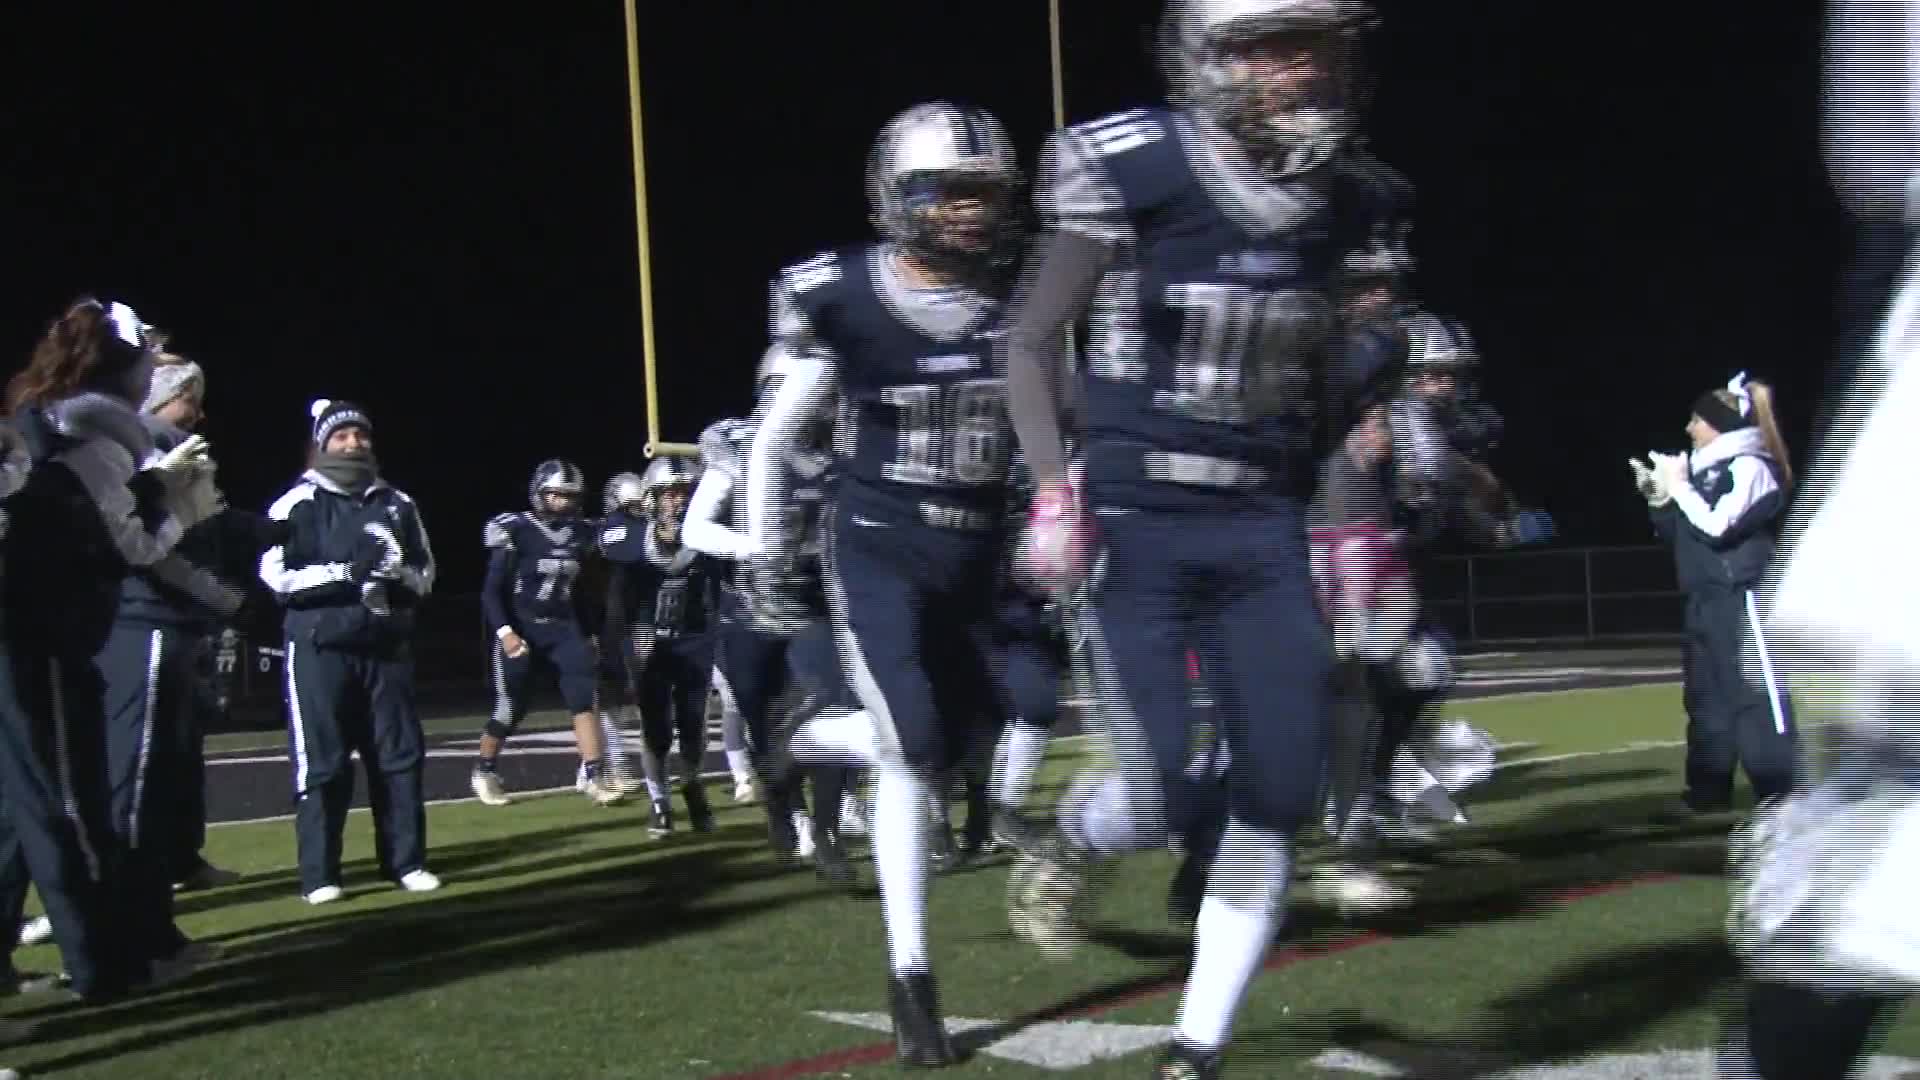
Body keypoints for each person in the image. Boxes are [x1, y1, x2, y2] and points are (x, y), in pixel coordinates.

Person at [998, 1, 1427, 1073]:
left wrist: (1322, 494)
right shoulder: (1134, 165)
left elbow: (1332, 377)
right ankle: (1073, 844)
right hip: (1139, 523)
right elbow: (1034, 338)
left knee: (1280, 794)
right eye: (1272, 45)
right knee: (1154, 794)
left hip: (1261, 528)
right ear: (1208, 57)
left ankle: (1199, 1046)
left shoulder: (1353, 201)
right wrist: (1056, 488)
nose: (1300, 69)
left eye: (1318, 44)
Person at [747, 101, 1026, 1066]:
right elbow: (776, 434)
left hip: (980, 548)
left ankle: (809, 735)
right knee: (913, 744)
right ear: (897, 197)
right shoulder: (840, 292)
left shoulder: (1029, 294)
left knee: (961, 740)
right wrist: (761, 545)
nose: (968, 213)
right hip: (879, 543)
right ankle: (912, 977)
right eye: (946, 193)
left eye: (983, 193)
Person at [1, 298, 224, 1000]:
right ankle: (110, 964)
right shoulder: (91, 440)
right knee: (70, 804)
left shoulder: (49, 424)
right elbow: (121, 545)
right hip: (39, 639)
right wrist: (173, 504)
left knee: (17, 813)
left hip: (26, 636)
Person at [259, 399, 441, 904]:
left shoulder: (397, 503)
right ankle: (321, 875)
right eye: (341, 436)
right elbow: (275, 575)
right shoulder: (296, 502)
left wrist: (391, 570)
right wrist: (345, 571)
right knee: (323, 763)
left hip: (384, 646)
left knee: (399, 757)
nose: (353, 443)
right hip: (321, 647)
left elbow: (425, 575)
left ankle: (405, 862)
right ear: (321, 443)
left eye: (360, 435)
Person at [1632, 372, 1796, 820]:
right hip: (1701, 598)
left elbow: (1719, 526)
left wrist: (1680, 488)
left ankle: (1781, 793)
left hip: (1740, 596)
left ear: (1719, 424)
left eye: (1696, 420)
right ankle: (1706, 792)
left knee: (1755, 696)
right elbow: (1686, 538)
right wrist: (1660, 501)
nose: (1689, 429)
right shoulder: (1704, 472)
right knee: (1705, 700)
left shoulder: (1750, 467)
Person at [470, 459, 621, 808]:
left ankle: (594, 774)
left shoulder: (581, 533)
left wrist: (590, 632)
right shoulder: (515, 528)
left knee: (584, 694)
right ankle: (485, 769)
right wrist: (506, 632)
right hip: (521, 625)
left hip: (562, 625)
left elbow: (583, 589)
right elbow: (492, 591)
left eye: (569, 497)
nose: (563, 503)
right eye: (555, 496)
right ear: (539, 494)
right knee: (512, 707)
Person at [599, 458, 721, 837]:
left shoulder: (707, 531)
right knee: (656, 727)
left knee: (694, 723)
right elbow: (610, 542)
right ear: (651, 498)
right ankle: (659, 801)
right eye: (670, 492)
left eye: (684, 492)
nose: (678, 500)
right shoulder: (630, 533)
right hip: (646, 634)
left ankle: (690, 782)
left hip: (694, 636)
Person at [683, 414, 765, 805]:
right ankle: (742, 774)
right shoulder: (708, 517)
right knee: (735, 699)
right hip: (728, 612)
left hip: (790, 599)